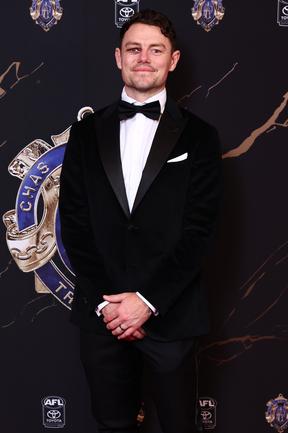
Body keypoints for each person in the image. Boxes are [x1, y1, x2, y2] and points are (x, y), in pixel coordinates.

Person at [59, 9, 221, 433]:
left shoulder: (200, 137)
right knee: (111, 424)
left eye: (156, 50)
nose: (144, 58)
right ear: (118, 58)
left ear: (174, 59)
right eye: (134, 49)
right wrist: (108, 305)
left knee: (178, 425)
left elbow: (199, 231)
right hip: (102, 314)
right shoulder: (85, 133)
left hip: (171, 314)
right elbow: (74, 224)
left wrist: (145, 302)